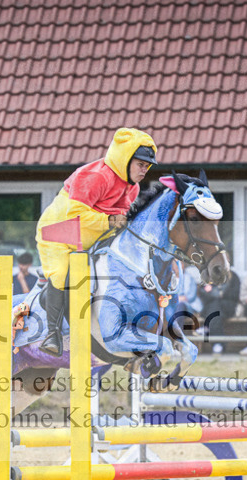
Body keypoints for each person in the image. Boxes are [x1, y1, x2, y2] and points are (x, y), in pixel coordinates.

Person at [34, 127, 157, 355]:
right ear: (125, 159)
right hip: (57, 232)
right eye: (140, 164)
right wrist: (110, 220)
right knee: (60, 274)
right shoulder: (96, 175)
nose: (144, 170)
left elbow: (118, 221)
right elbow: (74, 214)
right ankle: (52, 335)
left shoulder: (133, 188)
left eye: (147, 166)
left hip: (90, 238)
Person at [197, 259, 241, 354]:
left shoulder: (234, 277)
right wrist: (217, 296)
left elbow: (235, 295)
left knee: (215, 306)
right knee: (216, 312)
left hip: (228, 307)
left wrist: (220, 295)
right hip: (213, 308)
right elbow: (203, 293)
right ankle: (218, 344)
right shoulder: (209, 276)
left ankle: (207, 328)